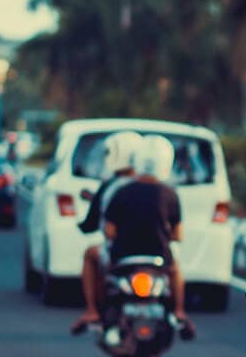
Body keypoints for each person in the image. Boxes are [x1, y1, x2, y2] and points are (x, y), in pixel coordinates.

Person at [101, 134, 194, 340]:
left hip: (123, 257)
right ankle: (179, 311)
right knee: (176, 269)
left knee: (105, 278)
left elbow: (110, 232)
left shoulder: (121, 192)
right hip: (158, 257)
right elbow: (178, 235)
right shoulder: (170, 194)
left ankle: (96, 314)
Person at [70, 130, 144, 333]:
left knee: (90, 254)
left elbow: (91, 226)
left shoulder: (110, 188)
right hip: (154, 252)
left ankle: (92, 310)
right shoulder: (152, 186)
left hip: (119, 252)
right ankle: (178, 310)